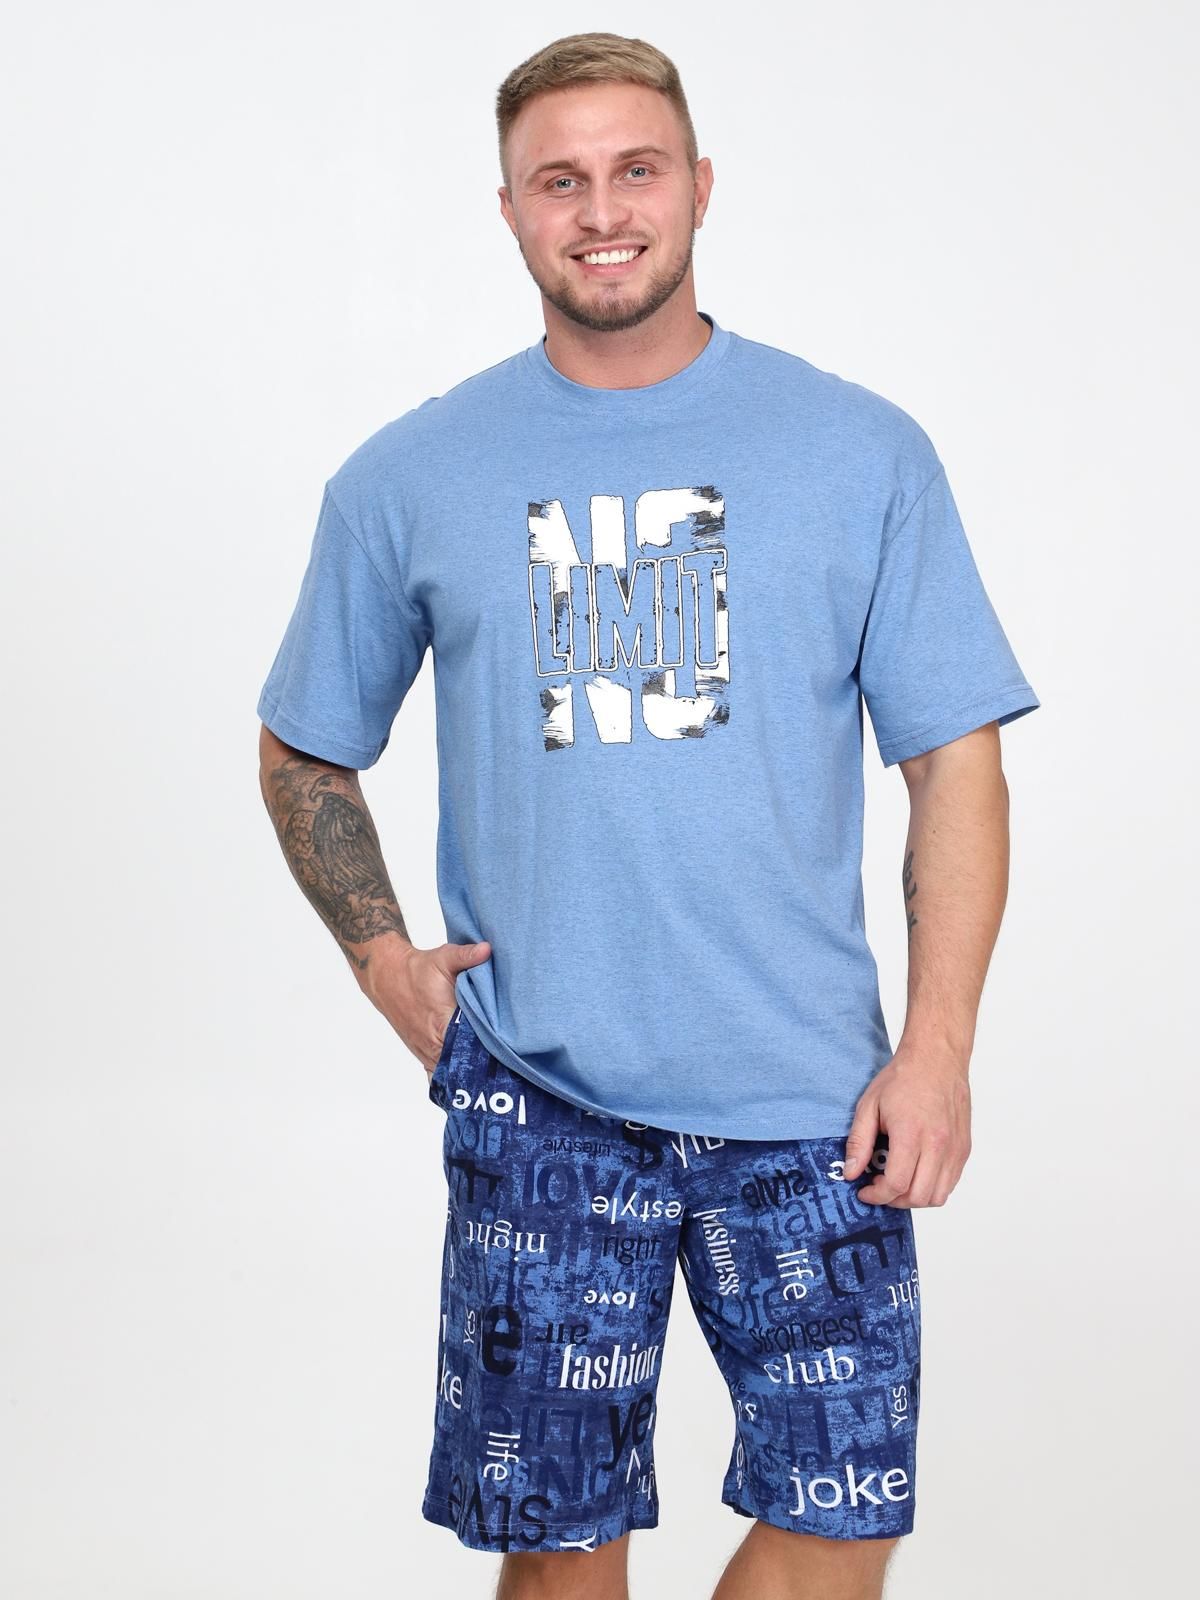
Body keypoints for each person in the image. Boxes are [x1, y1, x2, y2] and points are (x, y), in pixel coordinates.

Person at [255, 30, 1039, 1600]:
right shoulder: (408, 477)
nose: (602, 211)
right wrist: (384, 961)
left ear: (699, 187)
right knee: (560, 1547)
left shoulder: (861, 451)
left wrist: (938, 1046)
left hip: (816, 1100)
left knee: (844, 1513)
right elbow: (303, 749)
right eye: (560, 181)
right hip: (542, 1099)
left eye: (636, 170)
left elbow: (953, 758)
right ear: (509, 211)